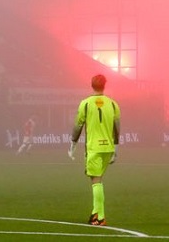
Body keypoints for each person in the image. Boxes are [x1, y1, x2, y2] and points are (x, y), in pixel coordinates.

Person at [68, 74, 120, 226]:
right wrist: (116, 148)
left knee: (95, 181)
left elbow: (78, 125)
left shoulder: (85, 104)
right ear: (105, 85)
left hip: (94, 148)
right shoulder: (113, 104)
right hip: (108, 147)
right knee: (99, 179)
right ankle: (94, 214)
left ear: (91, 85)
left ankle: (101, 217)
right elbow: (117, 128)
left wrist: (73, 144)